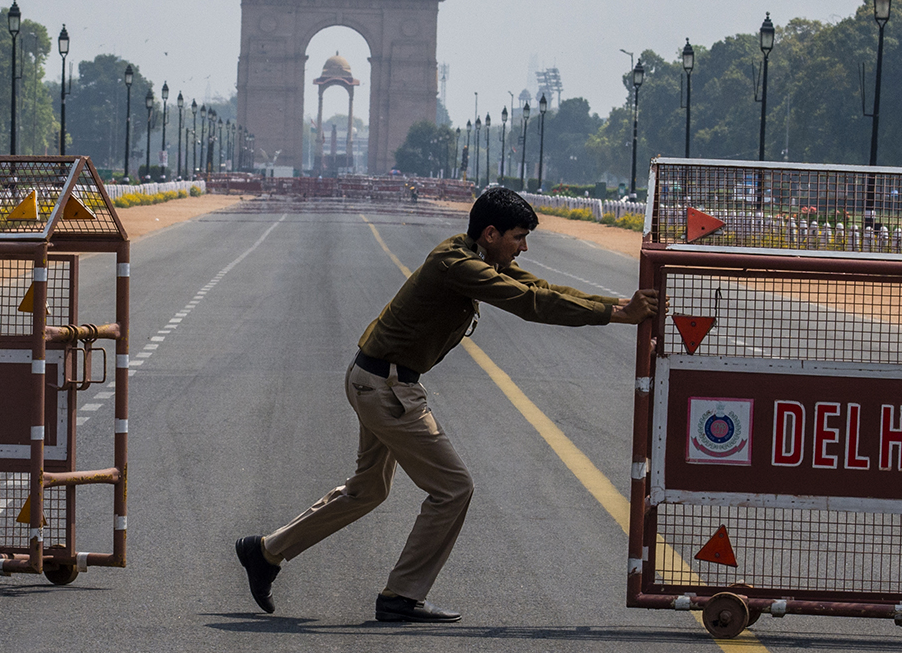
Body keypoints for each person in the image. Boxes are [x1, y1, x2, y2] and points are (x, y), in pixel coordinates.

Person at [235, 185, 659, 622]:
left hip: (377, 380)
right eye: (518, 237)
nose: (524, 247)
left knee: (369, 490)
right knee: (453, 488)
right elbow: (530, 303)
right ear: (491, 234)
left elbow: (542, 287)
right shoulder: (457, 264)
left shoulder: (478, 256)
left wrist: (621, 306)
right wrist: (616, 315)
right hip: (388, 388)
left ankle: (265, 552)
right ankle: (401, 596)